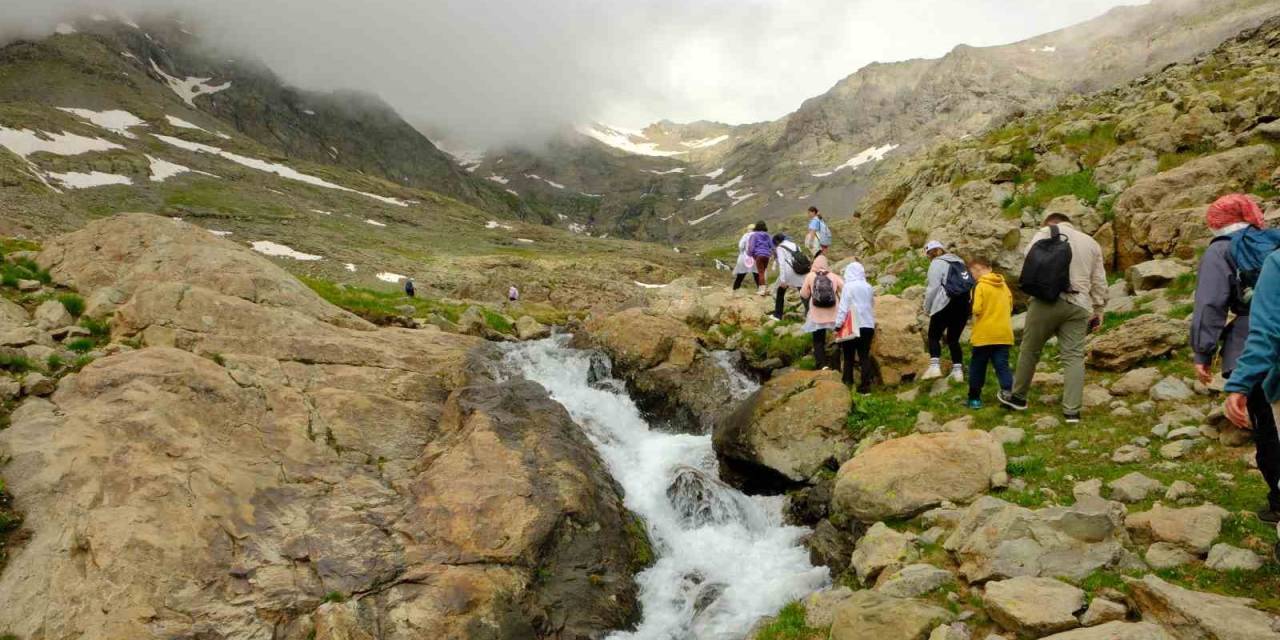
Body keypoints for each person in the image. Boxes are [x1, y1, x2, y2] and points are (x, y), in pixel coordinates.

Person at [1201, 194, 1280, 522]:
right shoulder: (1270, 242)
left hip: (1254, 351)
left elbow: (1211, 304)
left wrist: (1203, 352)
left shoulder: (1221, 249)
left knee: (1266, 431)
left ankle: (1277, 502)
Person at [1001, 213, 1107, 423]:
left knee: (1030, 349)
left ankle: (1018, 397)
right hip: (1079, 305)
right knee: (1074, 357)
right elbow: (1099, 281)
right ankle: (1072, 411)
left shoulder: (1046, 232)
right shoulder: (1091, 243)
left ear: (1050, 222)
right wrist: (1099, 310)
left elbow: (1029, 259)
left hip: (1046, 300)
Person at [966, 256, 1014, 409]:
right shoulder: (1004, 285)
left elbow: (976, 309)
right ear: (990, 268)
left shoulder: (979, 286)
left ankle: (974, 399)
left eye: (973, 271)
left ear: (975, 271)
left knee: (978, 367)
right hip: (1003, 334)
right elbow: (1011, 307)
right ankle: (1008, 395)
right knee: (1002, 366)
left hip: (984, 335)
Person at [922, 240, 971, 382]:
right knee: (953, 339)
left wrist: (927, 307)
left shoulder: (937, 263)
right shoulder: (959, 262)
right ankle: (958, 372)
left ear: (931, 253)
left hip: (945, 303)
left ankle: (935, 367)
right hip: (963, 304)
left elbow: (933, 288)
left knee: (933, 335)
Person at [834, 261, 876, 392]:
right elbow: (872, 304)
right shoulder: (868, 286)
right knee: (864, 355)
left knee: (848, 356)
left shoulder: (848, 287)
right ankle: (865, 387)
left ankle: (847, 383)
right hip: (868, 325)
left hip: (853, 325)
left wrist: (837, 325)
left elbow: (843, 308)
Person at [799, 254, 844, 370]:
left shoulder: (810, 276)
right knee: (838, 336)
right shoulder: (833, 276)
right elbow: (844, 288)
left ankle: (822, 364)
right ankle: (839, 362)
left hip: (817, 313)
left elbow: (804, 294)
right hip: (833, 311)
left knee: (818, 339)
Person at [772, 233, 808, 320]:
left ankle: (778, 315)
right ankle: (810, 314)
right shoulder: (796, 245)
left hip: (789, 272)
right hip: (799, 270)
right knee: (803, 292)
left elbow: (782, 264)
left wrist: (783, 280)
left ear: (777, 242)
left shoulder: (780, 248)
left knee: (780, 291)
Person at [747, 222, 775, 296]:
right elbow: (772, 246)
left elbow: (751, 247)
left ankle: (762, 290)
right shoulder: (768, 235)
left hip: (759, 255)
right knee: (764, 271)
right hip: (766, 255)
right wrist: (771, 254)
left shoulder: (754, 235)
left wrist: (750, 254)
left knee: (760, 272)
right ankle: (764, 288)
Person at [732, 225, 758, 291]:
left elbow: (741, 246)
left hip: (745, 257)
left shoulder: (746, 235)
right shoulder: (758, 235)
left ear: (749, 229)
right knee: (757, 275)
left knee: (740, 276)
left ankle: (735, 291)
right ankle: (761, 292)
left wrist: (742, 252)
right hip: (755, 258)